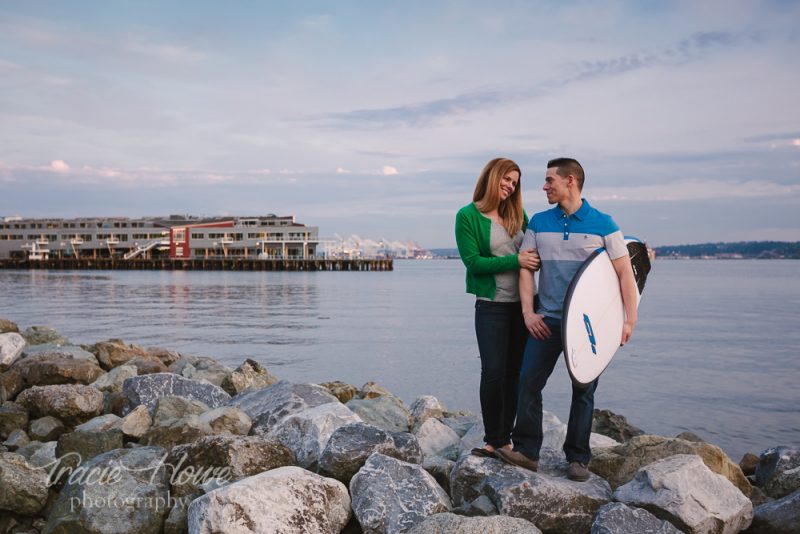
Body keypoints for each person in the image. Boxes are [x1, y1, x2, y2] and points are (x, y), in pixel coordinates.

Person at [494, 157, 638, 481]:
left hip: (586, 327)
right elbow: (526, 270)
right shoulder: (539, 223)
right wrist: (528, 313)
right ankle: (527, 451)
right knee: (528, 382)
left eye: (549, 181)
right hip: (548, 320)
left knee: (583, 389)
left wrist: (629, 320)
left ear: (570, 181)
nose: (544, 187)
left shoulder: (604, 224)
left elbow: (625, 274)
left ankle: (577, 458)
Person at [455, 157, 541, 457]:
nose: (510, 186)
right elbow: (473, 263)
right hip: (491, 306)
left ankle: (508, 440)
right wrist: (515, 261)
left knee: (515, 373)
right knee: (493, 371)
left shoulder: (519, 214)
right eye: (506, 179)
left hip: (524, 307)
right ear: (492, 177)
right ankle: (494, 440)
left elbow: (536, 252)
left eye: (514, 182)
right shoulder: (467, 216)